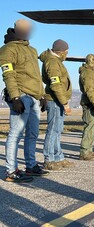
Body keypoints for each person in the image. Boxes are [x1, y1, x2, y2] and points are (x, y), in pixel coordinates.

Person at [0, 19, 48, 182]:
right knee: (16, 133)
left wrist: (42, 95)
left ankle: (30, 165)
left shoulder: (32, 50)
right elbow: (8, 74)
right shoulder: (8, 49)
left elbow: (36, 76)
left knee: (33, 133)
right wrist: (15, 97)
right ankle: (11, 171)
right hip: (21, 96)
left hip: (35, 98)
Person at [40, 39, 74, 170]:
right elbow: (56, 85)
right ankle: (49, 159)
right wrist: (65, 103)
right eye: (66, 51)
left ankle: (58, 157)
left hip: (57, 100)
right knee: (53, 130)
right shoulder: (53, 63)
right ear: (63, 51)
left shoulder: (55, 61)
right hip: (55, 100)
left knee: (57, 130)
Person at [79, 54, 94, 160]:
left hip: (92, 104)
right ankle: (84, 152)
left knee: (93, 129)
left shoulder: (91, 72)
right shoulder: (88, 73)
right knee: (89, 128)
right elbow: (89, 90)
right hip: (90, 105)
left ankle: (89, 150)